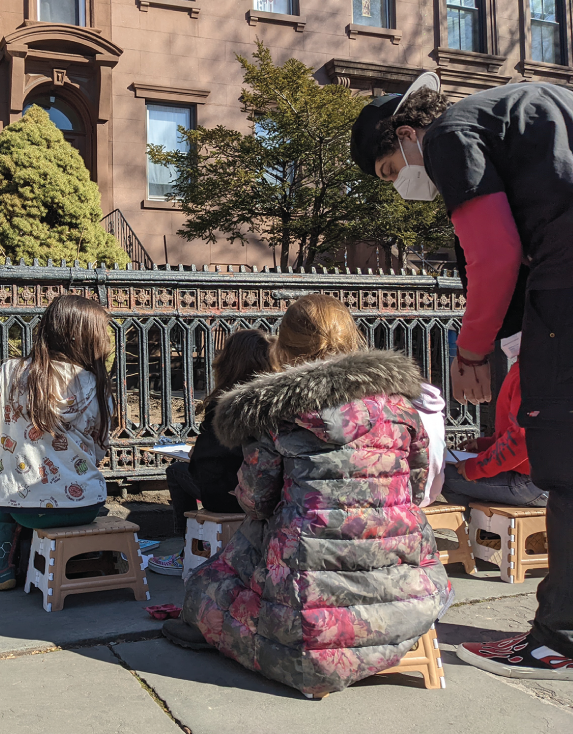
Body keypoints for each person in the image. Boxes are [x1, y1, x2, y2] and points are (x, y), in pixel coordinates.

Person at [351, 73, 573, 679]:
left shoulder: (452, 133)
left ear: (406, 135)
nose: (400, 187)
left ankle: (560, 639)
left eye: (390, 171)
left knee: (568, 472)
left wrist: (471, 353)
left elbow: (495, 254)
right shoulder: (533, 104)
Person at [163, 295, 449, 696]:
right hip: (406, 583)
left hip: (306, 599)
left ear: (284, 345)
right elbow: (417, 487)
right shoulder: (401, 407)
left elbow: (254, 499)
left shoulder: (278, 413)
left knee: (208, 585)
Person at [0, 295, 113, 590]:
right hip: (86, 504)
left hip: (23, 509)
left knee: (5, 477)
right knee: (15, 475)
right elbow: (101, 443)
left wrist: (3, 454)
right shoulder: (96, 383)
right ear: (84, 337)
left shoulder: (10, 372)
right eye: (102, 332)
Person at [149, 329, 273, 576]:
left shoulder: (223, 404)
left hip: (226, 497)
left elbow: (204, 461)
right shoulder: (272, 403)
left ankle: (185, 551)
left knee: (175, 471)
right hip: (266, 496)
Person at [443, 333, 548, 510]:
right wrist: (486, 444)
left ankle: (483, 534)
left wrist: (475, 468)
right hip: (543, 478)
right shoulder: (537, 371)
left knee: (445, 477)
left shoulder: (529, 374)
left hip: (532, 483)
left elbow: (521, 440)